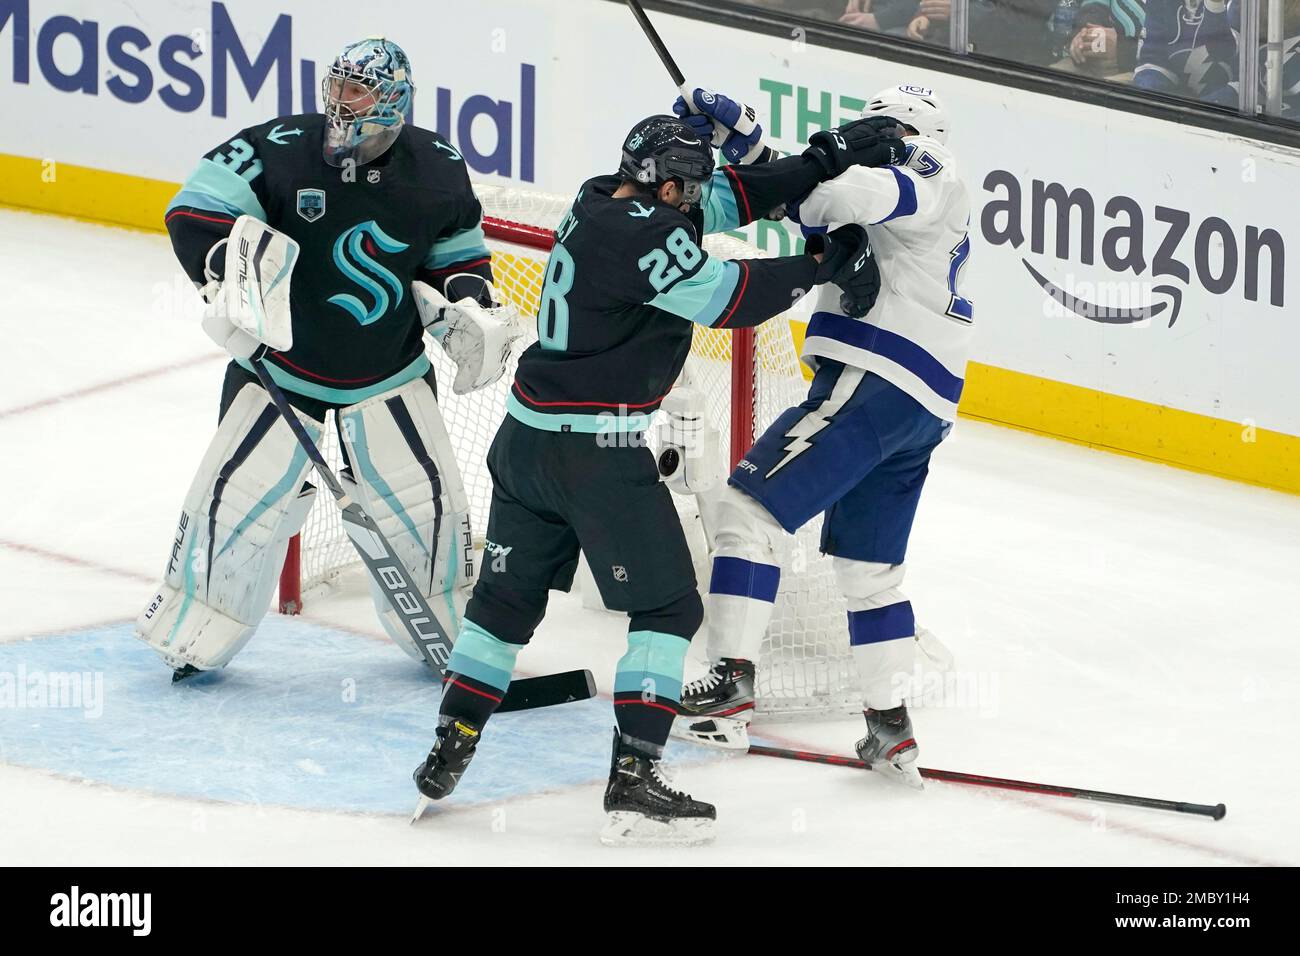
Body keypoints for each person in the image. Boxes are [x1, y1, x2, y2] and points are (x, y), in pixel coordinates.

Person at [412, 100, 905, 845]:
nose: (696, 195)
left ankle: (452, 742)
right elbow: (733, 298)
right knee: (671, 610)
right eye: (687, 184)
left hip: (525, 445)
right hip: (596, 455)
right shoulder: (640, 236)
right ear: (664, 186)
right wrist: (821, 263)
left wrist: (825, 154)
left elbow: (738, 194)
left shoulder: (600, 197)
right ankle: (635, 778)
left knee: (505, 607)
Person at [136, 37, 518, 681]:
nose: (341, 101)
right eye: (337, 86)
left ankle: (455, 637)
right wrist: (224, 275)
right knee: (234, 504)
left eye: (358, 90)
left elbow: (459, 254)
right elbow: (193, 210)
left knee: (427, 511)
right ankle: (191, 631)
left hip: (388, 374)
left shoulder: (439, 167)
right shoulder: (277, 146)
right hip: (281, 370)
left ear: (392, 98)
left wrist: (468, 302)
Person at [676, 85, 971, 791]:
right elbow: (811, 202)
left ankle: (730, 687)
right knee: (870, 574)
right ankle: (890, 726)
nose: (868, 133)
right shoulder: (894, 186)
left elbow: (831, 199)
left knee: (747, 510)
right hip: (918, 401)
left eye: (882, 127)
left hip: (876, 374)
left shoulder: (930, 164)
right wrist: (750, 148)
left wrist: (805, 167)